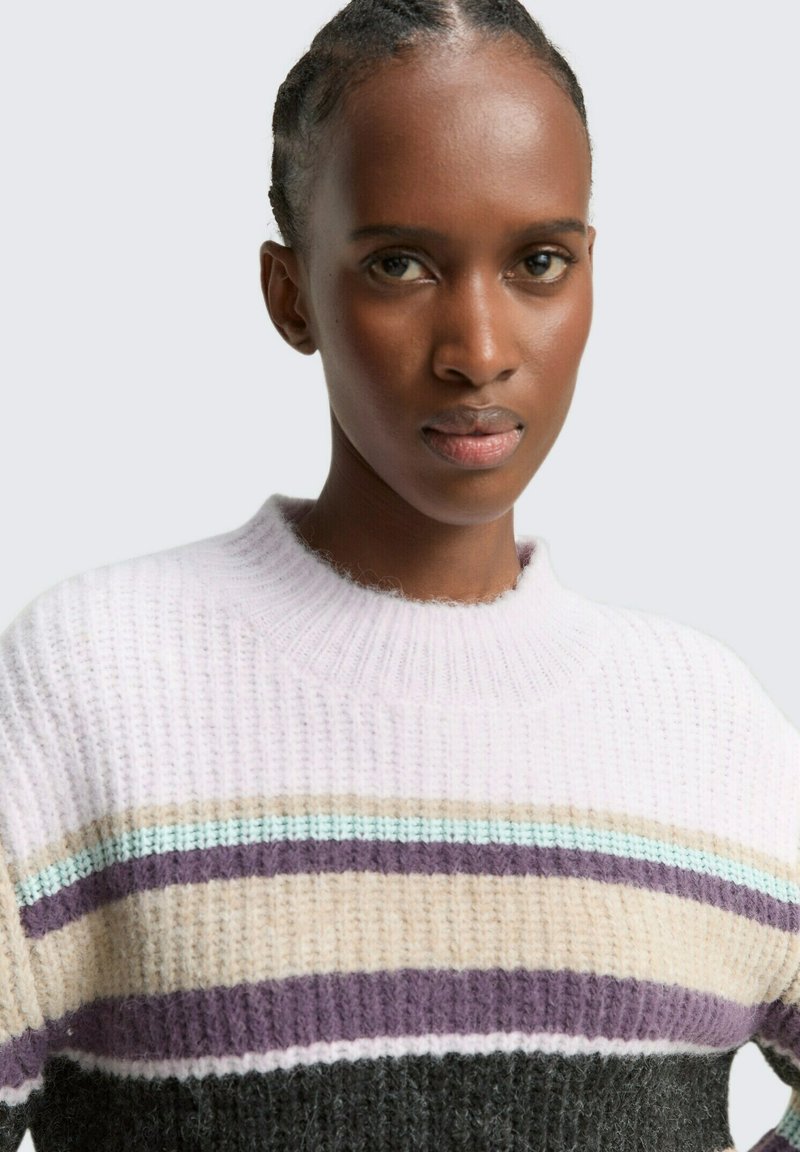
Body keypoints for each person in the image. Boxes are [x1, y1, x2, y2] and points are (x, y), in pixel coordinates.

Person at [1, 1, 798, 1149]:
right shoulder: (95, 687)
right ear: (290, 296)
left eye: (536, 263)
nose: (477, 350)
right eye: (399, 265)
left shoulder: (707, 729)